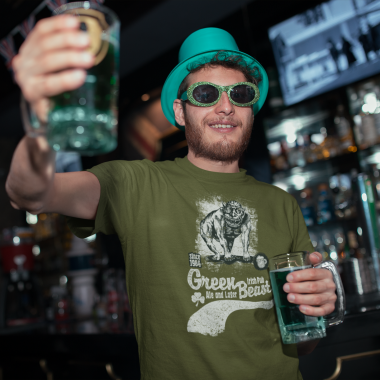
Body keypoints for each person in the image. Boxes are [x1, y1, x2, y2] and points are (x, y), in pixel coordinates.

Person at [6, 15, 338, 380]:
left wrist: (315, 308)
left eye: (239, 94)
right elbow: (31, 193)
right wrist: (40, 123)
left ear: (251, 109)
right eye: (206, 94)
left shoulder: (283, 205)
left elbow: (303, 343)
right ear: (181, 111)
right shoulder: (136, 184)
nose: (225, 107)